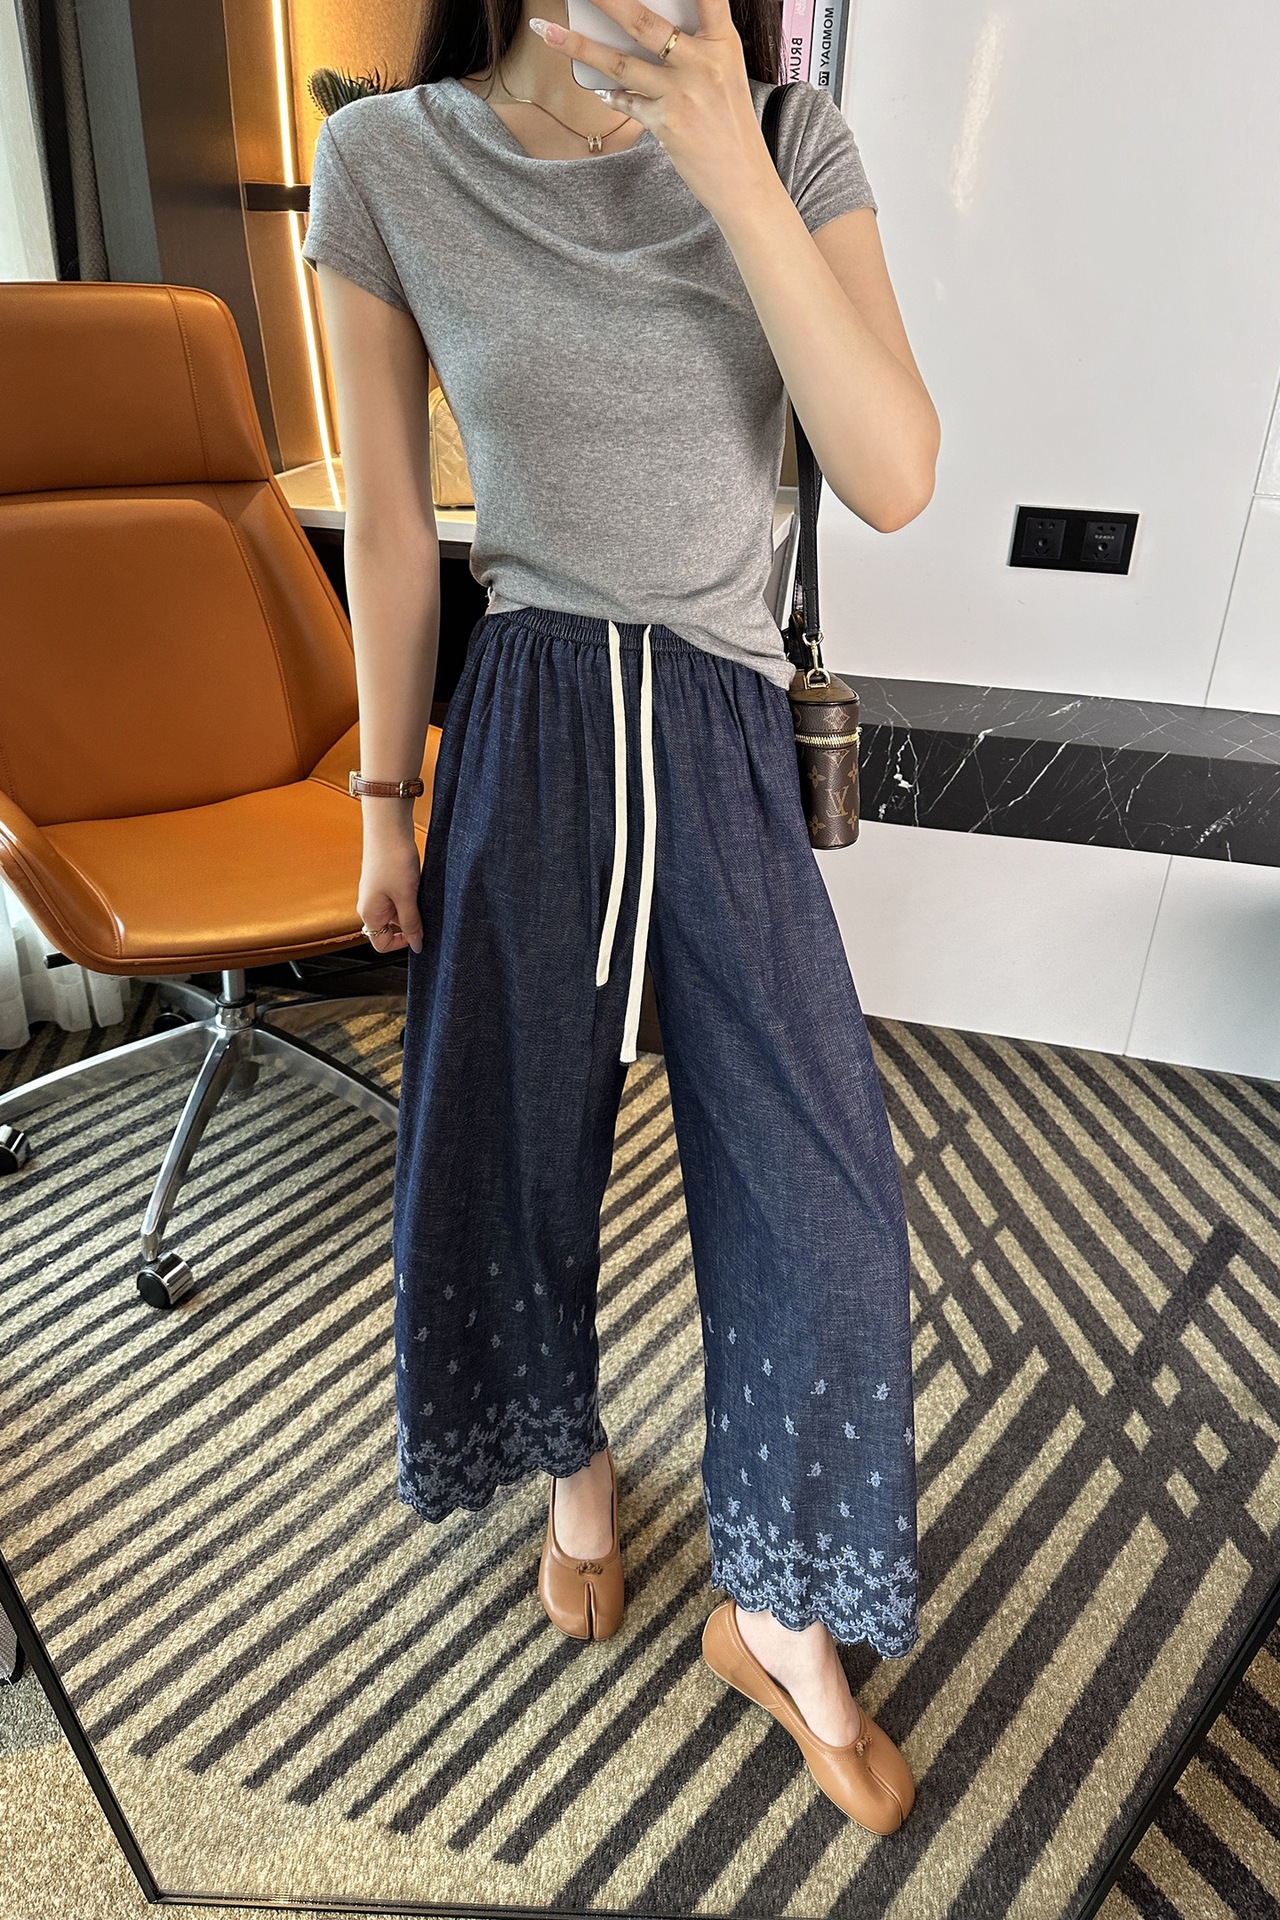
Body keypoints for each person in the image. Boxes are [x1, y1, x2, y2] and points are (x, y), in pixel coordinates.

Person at [303, 0, 939, 1834]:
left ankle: (778, 1609)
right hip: (526, 718)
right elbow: (391, 526)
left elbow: (894, 476)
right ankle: (572, 1464)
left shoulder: (792, 142)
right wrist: (382, 801)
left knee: (824, 1207)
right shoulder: (386, 160)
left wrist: (729, 161)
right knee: (503, 1153)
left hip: (726, 726)